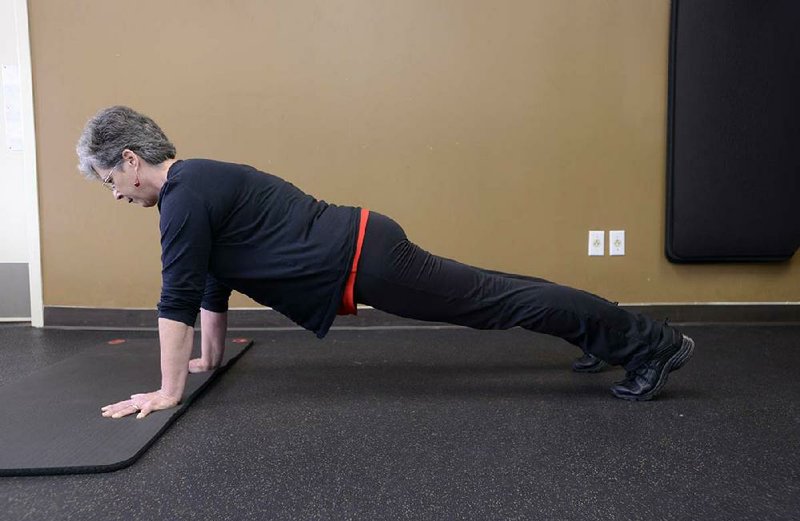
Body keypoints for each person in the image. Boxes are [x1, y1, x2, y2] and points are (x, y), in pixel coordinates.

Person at [76, 106, 694, 419]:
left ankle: (648, 344)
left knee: (494, 301)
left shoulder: (184, 197)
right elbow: (212, 282)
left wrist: (167, 391)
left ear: (131, 159)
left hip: (363, 259)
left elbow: (175, 296)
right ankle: (604, 332)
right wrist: (207, 358)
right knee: (498, 290)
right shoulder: (195, 186)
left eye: (110, 180)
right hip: (363, 244)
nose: (115, 195)